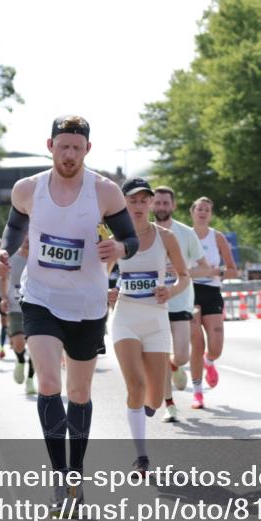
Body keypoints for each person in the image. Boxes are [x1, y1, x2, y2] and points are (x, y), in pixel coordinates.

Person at [0, 114, 140, 512]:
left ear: (87, 149)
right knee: (49, 382)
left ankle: (77, 474)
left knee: (78, 392)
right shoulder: (28, 189)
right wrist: (5, 251)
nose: (70, 154)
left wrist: (121, 250)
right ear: (50, 146)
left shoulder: (105, 192)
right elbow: (14, 228)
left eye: (77, 147)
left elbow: (131, 238)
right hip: (40, 298)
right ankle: (60, 480)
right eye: (63, 146)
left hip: (88, 304)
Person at [107, 177, 189, 475]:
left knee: (153, 398)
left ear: (151, 203)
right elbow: (97, 274)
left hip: (156, 320)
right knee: (135, 385)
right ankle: (141, 457)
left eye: (144, 200)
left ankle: (143, 410)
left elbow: (183, 276)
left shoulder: (165, 237)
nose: (139, 206)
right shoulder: (115, 238)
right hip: (126, 318)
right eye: (133, 200)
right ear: (124, 203)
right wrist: (106, 291)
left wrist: (171, 290)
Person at [152, 186, 211, 423]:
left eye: (166, 203)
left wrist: (180, 270)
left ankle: (176, 367)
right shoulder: (144, 233)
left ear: (173, 206)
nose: (161, 207)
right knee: (163, 352)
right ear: (151, 205)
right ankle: (170, 405)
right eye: (157, 203)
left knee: (182, 356)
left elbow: (205, 267)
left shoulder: (186, 233)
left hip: (181, 301)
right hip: (154, 304)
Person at [189, 196, 239, 409]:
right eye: (199, 208)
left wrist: (216, 271)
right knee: (196, 343)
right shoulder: (183, 235)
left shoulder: (217, 237)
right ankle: (198, 393)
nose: (202, 212)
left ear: (211, 214)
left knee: (216, 346)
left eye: (207, 209)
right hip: (188, 291)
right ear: (192, 212)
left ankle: (210, 362)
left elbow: (233, 269)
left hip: (212, 291)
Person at [0, 237, 36, 395]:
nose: (27, 241)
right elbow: (3, 278)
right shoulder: (12, 258)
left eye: (30, 238)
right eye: (25, 238)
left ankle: (30, 379)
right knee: (18, 343)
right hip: (15, 306)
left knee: (36, 347)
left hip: (36, 307)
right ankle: (20, 360)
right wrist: (3, 297)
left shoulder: (39, 257)